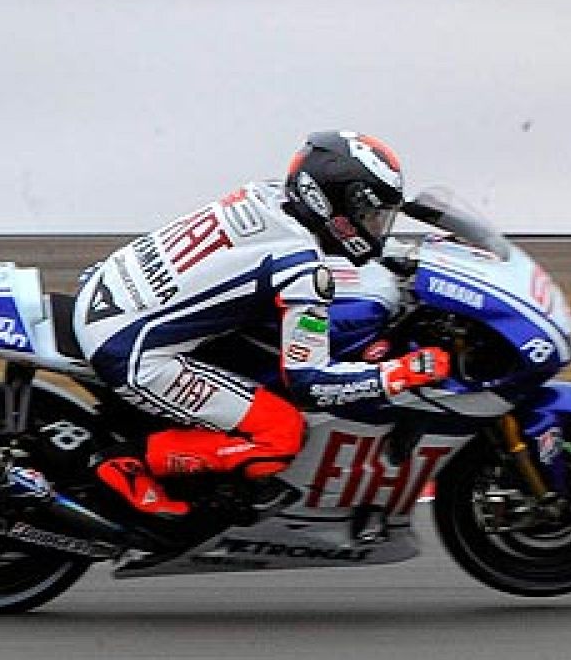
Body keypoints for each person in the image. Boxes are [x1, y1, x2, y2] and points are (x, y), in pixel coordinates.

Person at [72, 130, 451, 517]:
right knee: (282, 431)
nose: (375, 229)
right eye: (370, 217)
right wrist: (399, 374)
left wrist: (410, 256)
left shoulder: (264, 196)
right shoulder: (302, 268)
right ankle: (125, 462)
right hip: (133, 352)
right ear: (336, 204)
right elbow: (310, 384)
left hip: (106, 293)